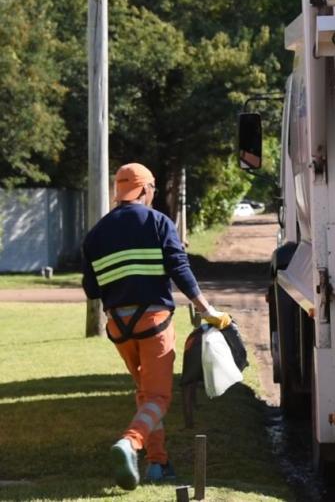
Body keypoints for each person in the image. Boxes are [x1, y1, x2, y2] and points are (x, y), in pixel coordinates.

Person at [81, 163, 231, 490]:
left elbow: (92, 290)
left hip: (119, 329)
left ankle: (158, 463)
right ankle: (130, 443)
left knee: (146, 394)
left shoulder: (96, 235)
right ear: (145, 189)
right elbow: (180, 270)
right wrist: (207, 310)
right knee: (160, 396)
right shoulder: (158, 222)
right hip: (154, 324)